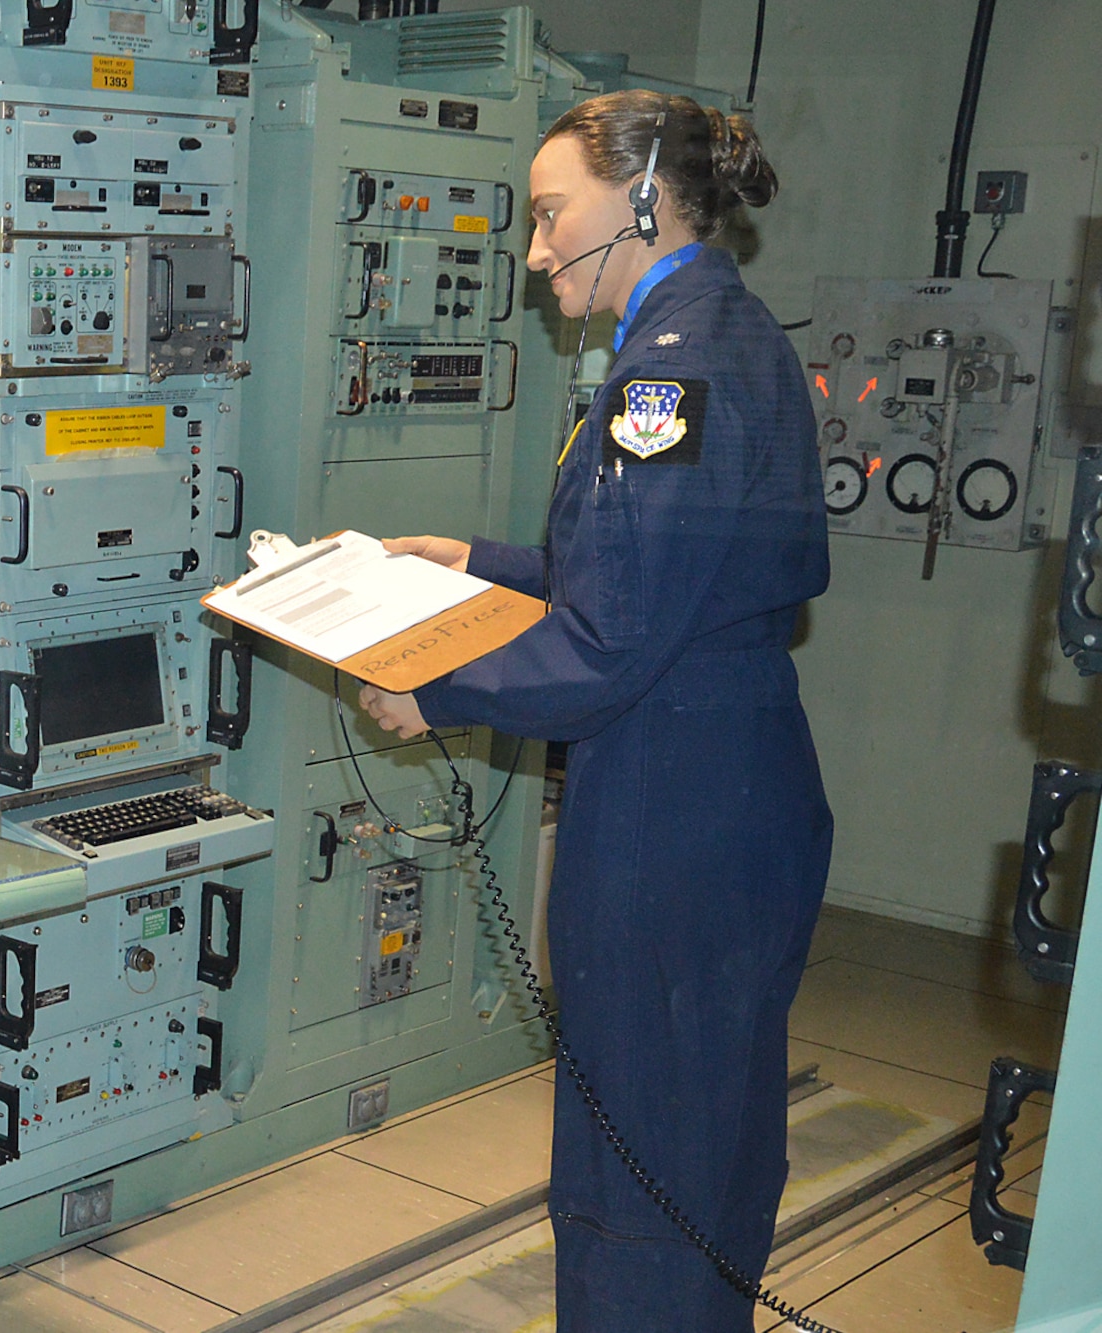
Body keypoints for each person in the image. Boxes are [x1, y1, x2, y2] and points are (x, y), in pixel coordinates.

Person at [360, 90, 831, 1331]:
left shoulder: (663, 376)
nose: (530, 249)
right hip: (737, 784)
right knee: (709, 1141)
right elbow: (671, 577)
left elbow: (614, 640)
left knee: (640, 1162)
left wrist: (436, 690)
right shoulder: (733, 335)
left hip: (667, 811)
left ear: (635, 201)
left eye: (546, 213)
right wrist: (479, 559)